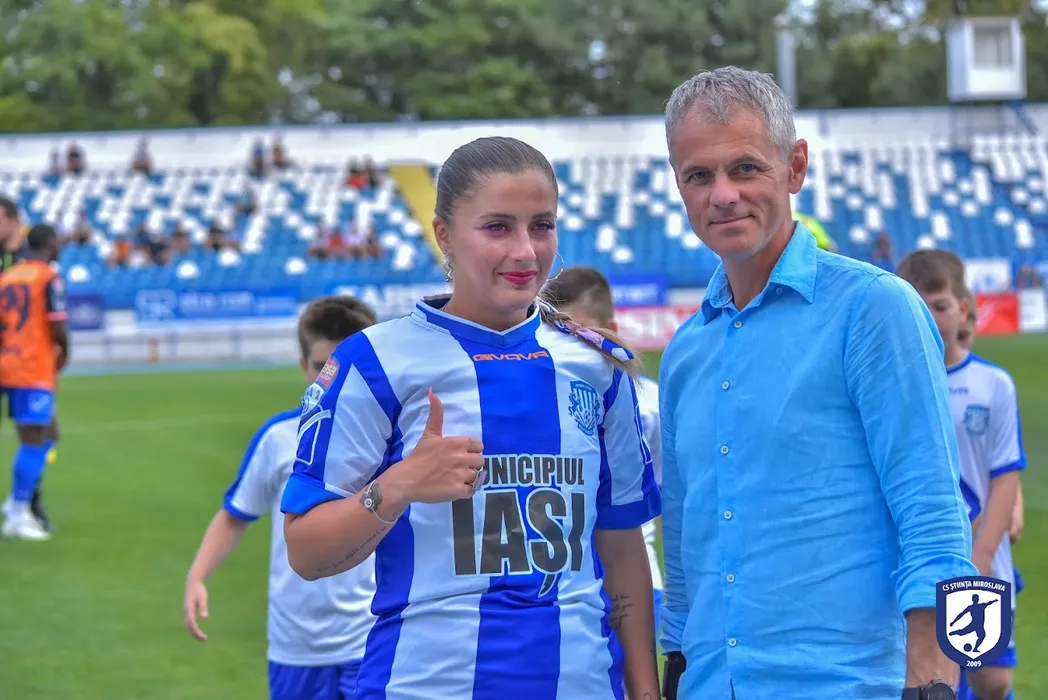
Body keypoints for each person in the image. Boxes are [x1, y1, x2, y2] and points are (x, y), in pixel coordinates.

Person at [280, 136, 662, 700]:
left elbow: (623, 544)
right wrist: (396, 487)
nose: (525, 251)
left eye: (542, 225)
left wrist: (645, 691)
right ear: (443, 234)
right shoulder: (373, 361)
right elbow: (307, 553)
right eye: (497, 227)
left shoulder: (598, 366)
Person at [657, 66, 976, 700]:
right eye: (699, 175)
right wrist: (678, 667)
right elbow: (686, 546)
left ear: (795, 167)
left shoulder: (874, 308)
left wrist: (934, 683)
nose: (723, 194)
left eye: (745, 168)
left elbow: (935, 517)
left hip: (852, 684)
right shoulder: (683, 352)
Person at [184, 295, 379, 700]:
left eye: (349, 367)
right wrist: (197, 575)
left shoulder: (392, 438)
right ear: (302, 365)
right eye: (322, 368)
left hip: (371, 639)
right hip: (296, 647)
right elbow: (236, 514)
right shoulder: (279, 439)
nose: (335, 380)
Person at [896, 251, 1024, 700]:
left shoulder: (993, 384)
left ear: (963, 309)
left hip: (981, 549)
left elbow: (1005, 471)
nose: (932, 318)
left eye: (940, 305)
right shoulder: (894, 384)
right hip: (916, 551)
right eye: (919, 306)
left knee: (992, 679)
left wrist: (982, 555)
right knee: (928, 670)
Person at [542, 265, 665, 637]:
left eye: (578, 334)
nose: (566, 347)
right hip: (558, 588)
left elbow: (670, 501)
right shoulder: (533, 403)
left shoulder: (650, 404)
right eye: (554, 334)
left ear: (610, 327)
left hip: (632, 584)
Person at [0, 224, 69, 541]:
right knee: (34, 438)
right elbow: (58, 325)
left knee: (49, 433)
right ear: (50, 243)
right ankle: (18, 513)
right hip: (32, 366)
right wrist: (65, 353)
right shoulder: (48, 277)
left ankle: (17, 499)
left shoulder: (8, 277)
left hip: (8, 362)